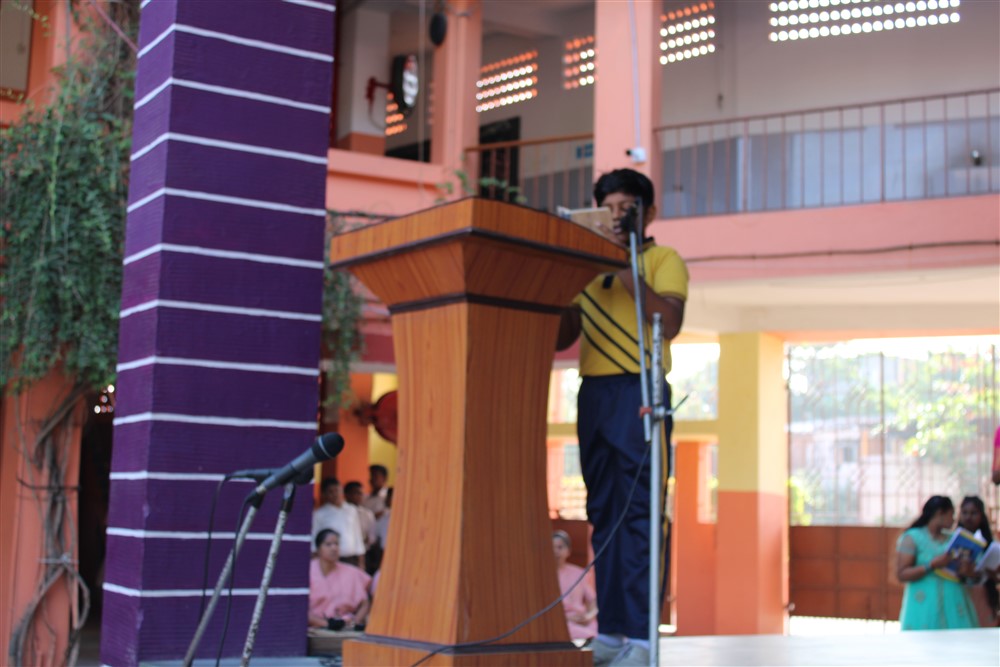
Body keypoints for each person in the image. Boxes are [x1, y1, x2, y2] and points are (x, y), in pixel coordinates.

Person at [556, 168, 688, 666]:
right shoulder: (586, 271)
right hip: (594, 393)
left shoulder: (663, 259)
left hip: (641, 389)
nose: (615, 217)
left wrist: (624, 261)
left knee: (641, 515)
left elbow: (667, 322)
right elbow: (562, 337)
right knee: (603, 514)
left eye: (625, 208)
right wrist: (561, 275)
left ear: (647, 212)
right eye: (606, 209)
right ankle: (611, 630)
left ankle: (642, 635)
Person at [896, 495, 978, 630]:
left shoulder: (953, 538)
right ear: (940, 513)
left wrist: (966, 569)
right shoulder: (913, 537)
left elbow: (972, 573)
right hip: (924, 606)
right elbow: (902, 574)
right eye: (951, 514)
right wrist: (932, 565)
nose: (954, 519)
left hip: (954, 605)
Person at [308, 529, 372, 631]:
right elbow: (299, 608)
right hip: (314, 630)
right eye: (328, 544)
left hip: (346, 629)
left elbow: (365, 603)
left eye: (336, 544)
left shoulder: (351, 572)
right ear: (318, 549)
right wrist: (326, 624)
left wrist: (355, 622)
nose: (334, 548)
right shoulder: (307, 571)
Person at [957, 495, 999, 627]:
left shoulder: (990, 543)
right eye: (965, 513)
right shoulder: (951, 540)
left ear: (981, 516)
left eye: (973, 513)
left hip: (984, 595)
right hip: (959, 594)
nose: (968, 517)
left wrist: (993, 574)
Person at [552, 530, 598, 641]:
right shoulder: (543, 576)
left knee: (603, 633)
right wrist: (566, 618)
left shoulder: (579, 573)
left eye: (560, 547)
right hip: (559, 622)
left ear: (568, 551)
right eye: (552, 547)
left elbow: (593, 602)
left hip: (581, 620)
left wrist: (588, 616)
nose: (556, 551)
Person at [312, 477, 366, 567]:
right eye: (330, 492)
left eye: (337, 490)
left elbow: (357, 536)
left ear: (341, 491)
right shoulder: (319, 514)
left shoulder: (351, 510)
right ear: (324, 494)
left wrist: (361, 562)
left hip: (350, 558)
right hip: (329, 559)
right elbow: (314, 540)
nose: (335, 494)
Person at [345, 480, 380, 575]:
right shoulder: (341, 513)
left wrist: (365, 540)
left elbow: (372, 536)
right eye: (355, 493)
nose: (359, 496)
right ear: (346, 494)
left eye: (360, 493)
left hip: (365, 552)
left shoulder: (367, 514)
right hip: (347, 554)